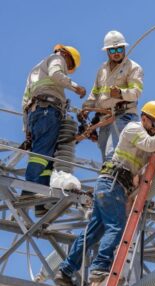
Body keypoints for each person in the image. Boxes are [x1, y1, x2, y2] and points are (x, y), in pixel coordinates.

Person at [54, 101, 155, 286]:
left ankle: (65, 270)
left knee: (92, 233)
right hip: (113, 184)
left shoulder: (148, 136)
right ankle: (99, 267)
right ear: (144, 118)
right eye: (154, 124)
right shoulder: (134, 129)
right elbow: (152, 144)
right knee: (116, 227)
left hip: (110, 185)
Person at [22, 44, 86, 216]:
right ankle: (27, 192)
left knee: (48, 160)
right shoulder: (56, 58)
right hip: (48, 110)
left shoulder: (35, 71)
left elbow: (25, 101)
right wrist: (76, 87)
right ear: (66, 55)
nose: (67, 68)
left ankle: (41, 203)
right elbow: (56, 74)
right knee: (41, 155)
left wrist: (26, 129)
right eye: (69, 65)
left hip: (37, 113)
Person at [81, 30, 144, 162]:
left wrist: (121, 93)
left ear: (124, 48)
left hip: (123, 116)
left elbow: (136, 92)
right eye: (112, 50)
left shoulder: (133, 68)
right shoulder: (102, 69)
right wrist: (87, 108)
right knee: (105, 157)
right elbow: (95, 92)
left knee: (112, 155)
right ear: (107, 51)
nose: (116, 53)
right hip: (104, 119)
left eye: (119, 49)